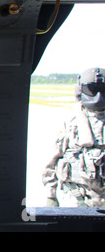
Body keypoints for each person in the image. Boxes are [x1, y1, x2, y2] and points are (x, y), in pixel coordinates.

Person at [42, 68, 105, 207]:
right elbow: (52, 161)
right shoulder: (71, 124)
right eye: (92, 89)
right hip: (77, 201)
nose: (98, 95)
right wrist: (51, 196)